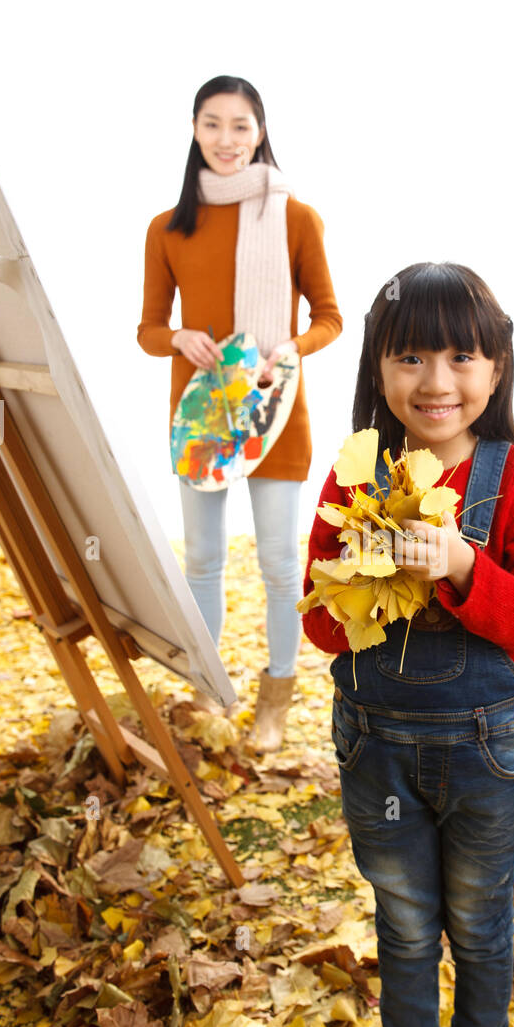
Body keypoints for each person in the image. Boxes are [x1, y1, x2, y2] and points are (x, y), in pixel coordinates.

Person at [300, 262, 514, 1027]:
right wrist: (366, 574)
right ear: (378, 365)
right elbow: (319, 623)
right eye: (410, 355)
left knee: (481, 924)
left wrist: (460, 564)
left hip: (487, 746)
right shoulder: (356, 469)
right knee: (407, 924)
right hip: (377, 745)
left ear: (496, 369)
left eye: (462, 355)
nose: (436, 381)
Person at [138, 74, 342, 750]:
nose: (227, 140)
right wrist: (174, 338)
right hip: (200, 418)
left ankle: (276, 698)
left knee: (282, 563)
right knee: (201, 561)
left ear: (261, 132)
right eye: (212, 124)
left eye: (241, 125)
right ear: (194, 131)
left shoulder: (297, 218)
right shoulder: (167, 228)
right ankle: (207, 686)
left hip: (274, 409)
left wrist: (286, 349)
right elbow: (146, 330)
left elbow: (331, 318)